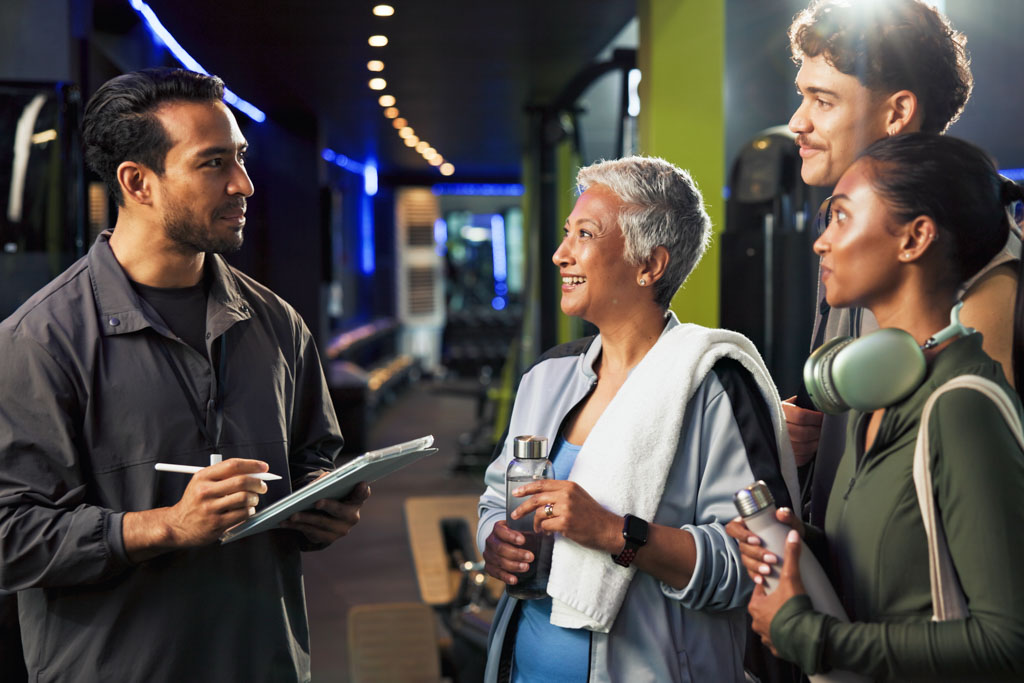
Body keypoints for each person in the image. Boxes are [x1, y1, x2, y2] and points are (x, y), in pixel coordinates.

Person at [0, 68, 368, 682]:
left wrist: (325, 500)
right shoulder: (38, 342)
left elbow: (313, 457)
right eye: (214, 163)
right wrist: (167, 525)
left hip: (266, 665)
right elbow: (10, 536)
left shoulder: (277, 324)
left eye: (242, 159)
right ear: (138, 182)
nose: (244, 184)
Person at [477, 156, 801, 682]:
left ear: (649, 265)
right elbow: (496, 498)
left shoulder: (711, 386)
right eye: (566, 233)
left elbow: (752, 565)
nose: (561, 254)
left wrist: (613, 532)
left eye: (585, 234)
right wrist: (495, 538)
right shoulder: (547, 377)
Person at [728, 133, 1024, 680]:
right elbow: (893, 575)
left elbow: (1007, 642)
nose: (821, 242)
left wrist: (808, 635)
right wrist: (795, 546)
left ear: (915, 238)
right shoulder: (871, 400)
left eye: (840, 217)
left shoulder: (962, 407)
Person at [780, 0, 1021, 526]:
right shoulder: (842, 235)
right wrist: (823, 431)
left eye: (822, 100)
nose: (797, 122)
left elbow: (974, 467)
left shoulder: (984, 256)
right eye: (803, 97)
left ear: (896, 112)